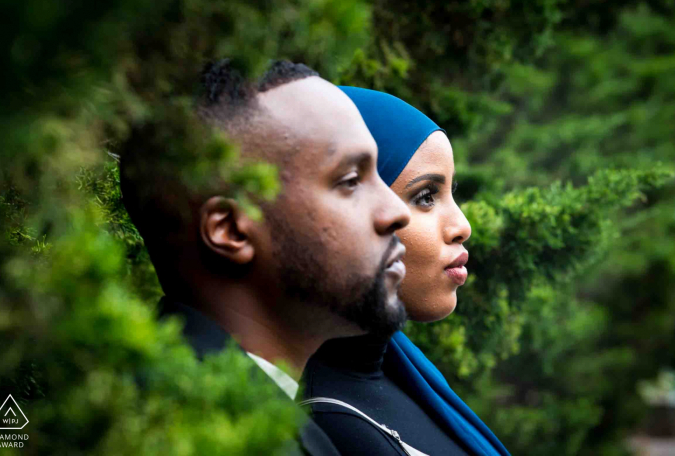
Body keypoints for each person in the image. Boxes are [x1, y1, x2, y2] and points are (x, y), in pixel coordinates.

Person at [119, 63, 412, 456]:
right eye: (350, 180)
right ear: (232, 231)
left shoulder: (237, 412)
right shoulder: (190, 433)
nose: (397, 211)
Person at [299, 87, 511, 456]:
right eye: (425, 196)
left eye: (451, 193)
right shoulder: (327, 426)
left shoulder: (402, 373)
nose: (462, 225)